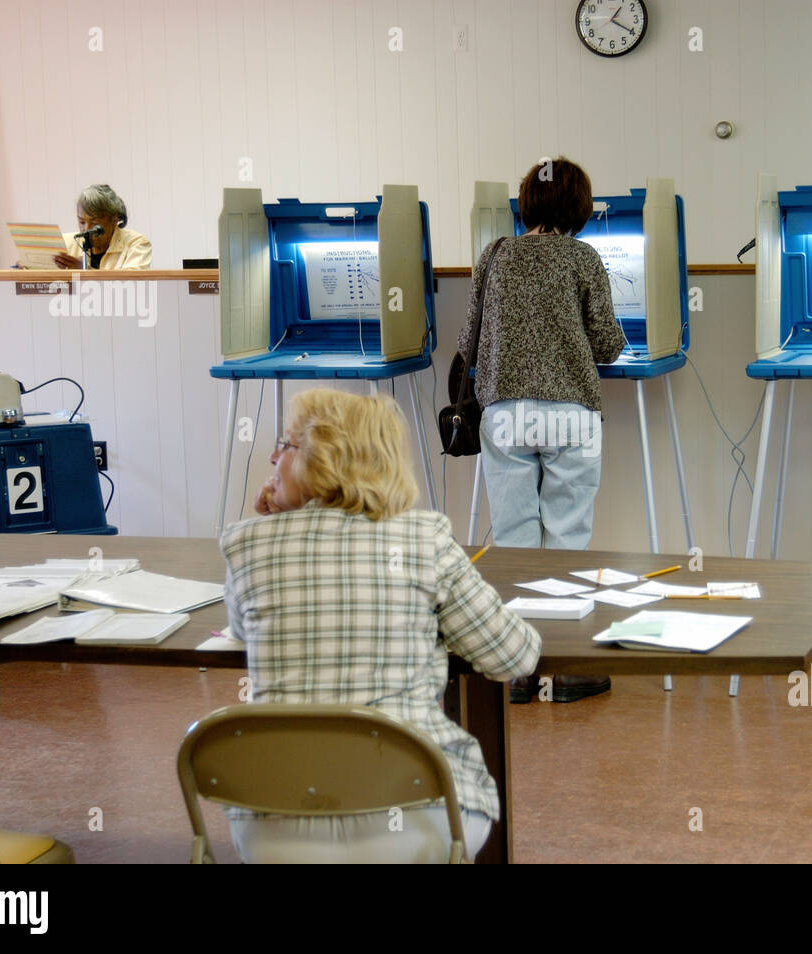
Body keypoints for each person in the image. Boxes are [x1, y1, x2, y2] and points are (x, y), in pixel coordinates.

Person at [220, 388, 540, 863]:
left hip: (276, 827)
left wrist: (271, 527)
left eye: (285, 445)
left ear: (323, 458)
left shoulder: (245, 542)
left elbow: (244, 633)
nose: (271, 455)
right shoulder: (423, 537)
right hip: (413, 819)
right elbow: (512, 658)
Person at [457, 156, 624, 703]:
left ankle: (518, 673)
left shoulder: (495, 254)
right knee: (567, 538)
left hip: (505, 411)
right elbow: (606, 342)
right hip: (570, 412)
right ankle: (562, 667)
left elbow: (469, 338)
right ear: (579, 207)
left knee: (514, 541)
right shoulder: (583, 258)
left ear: (526, 201)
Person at [53, 184, 152, 269]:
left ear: (114, 219)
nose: (86, 230)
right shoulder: (63, 243)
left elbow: (132, 285)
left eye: (95, 223)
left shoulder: (136, 243)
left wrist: (84, 271)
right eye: (82, 222)